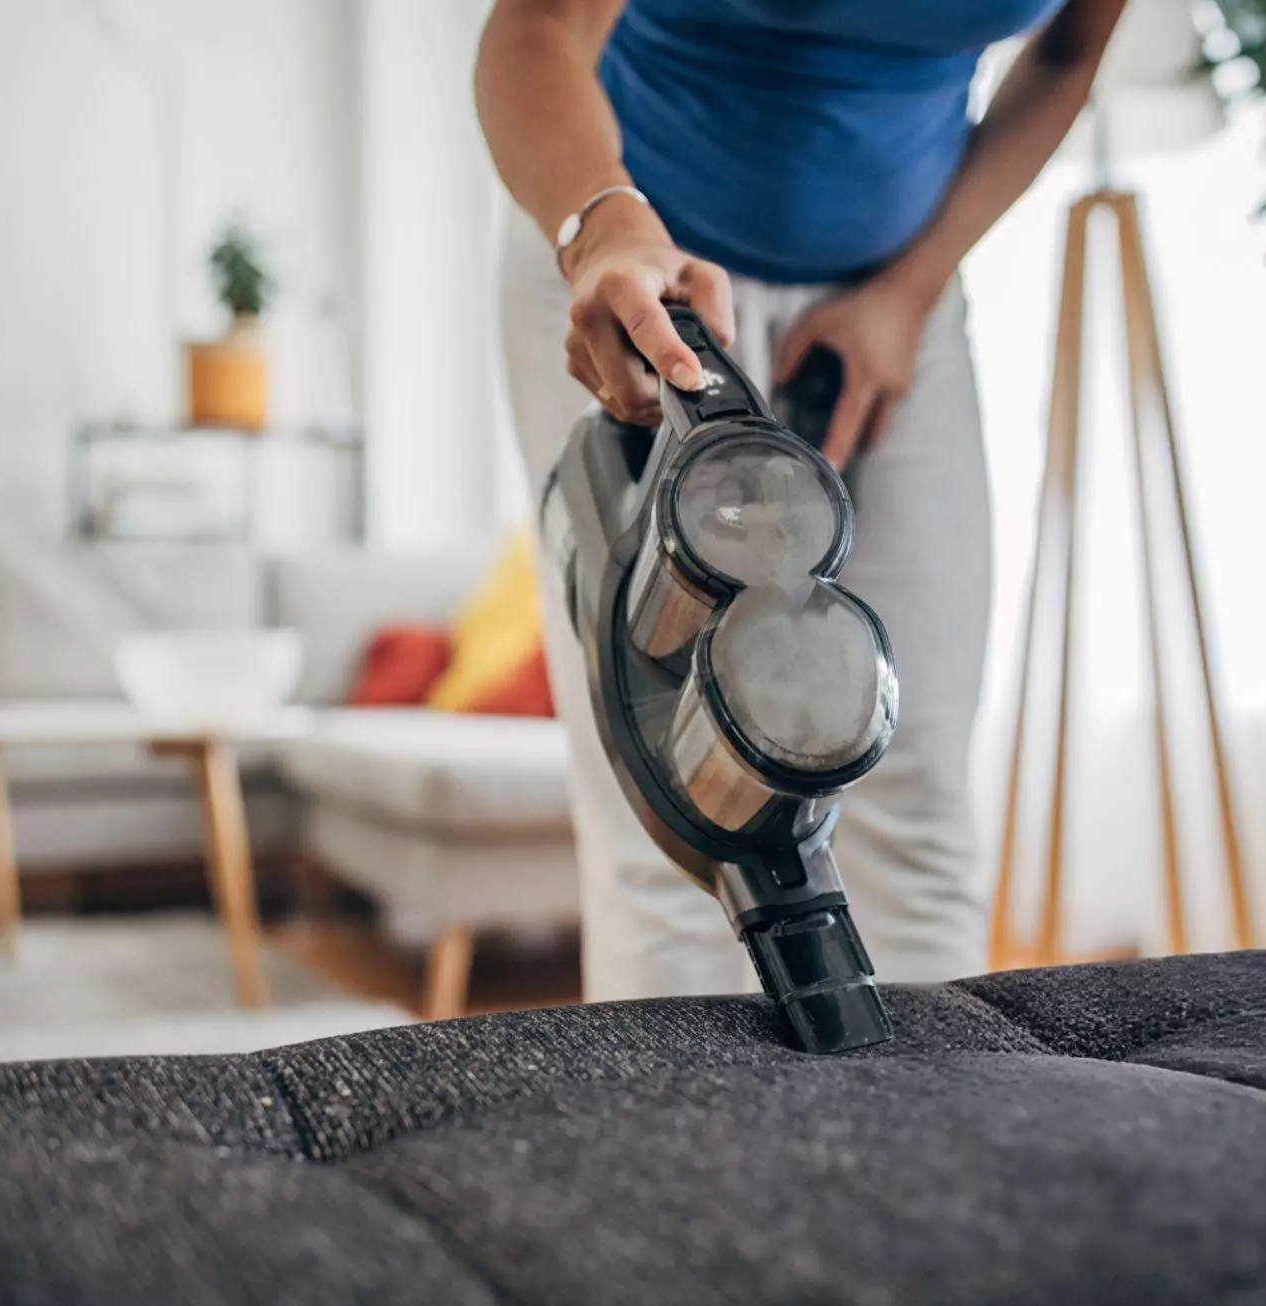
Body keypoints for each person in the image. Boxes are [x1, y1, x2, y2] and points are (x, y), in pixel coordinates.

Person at [477, 0, 1128, 1001]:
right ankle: (687, 1150)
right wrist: (601, 226)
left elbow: (1068, 53)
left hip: (890, 288)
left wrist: (907, 293)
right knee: (670, 803)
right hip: (633, 271)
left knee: (914, 792)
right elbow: (540, 26)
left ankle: (930, 1139)